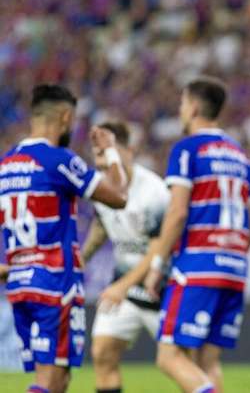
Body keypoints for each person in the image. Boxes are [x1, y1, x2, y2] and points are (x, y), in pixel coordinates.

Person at [0, 84, 128, 393]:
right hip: (54, 283)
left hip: (20, 284)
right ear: (66, 117)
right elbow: (119, 196)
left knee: (59, 379)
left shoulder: (6, 165)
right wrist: (110, 152)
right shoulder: (57, 159)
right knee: (49, 379)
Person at [142, 76, 250, 393]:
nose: (180, 111)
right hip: (234, 268)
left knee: (168, 357)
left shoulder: (187, 149)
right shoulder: (241, 156)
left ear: (193, 107)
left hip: (197, 265)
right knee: (206, 362)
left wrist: (156, 265)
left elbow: (178, 212)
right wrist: (234, 253)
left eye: (182, 104)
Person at [80, 121, 170, 393]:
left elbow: (158, 249)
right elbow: (101, 224)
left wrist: (122, 286)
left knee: (180, 362)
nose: (103, 160)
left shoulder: (153, 191)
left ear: (129, 150)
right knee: (102, 352)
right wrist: (82, 257)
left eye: (109, 152)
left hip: (162, 288)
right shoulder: (102, 188)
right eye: (98, 154)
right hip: (126, 290)